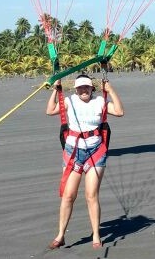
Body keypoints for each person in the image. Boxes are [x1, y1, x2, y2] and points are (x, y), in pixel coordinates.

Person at [45, 73, 124, 249]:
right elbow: (50, 111)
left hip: (95, 152)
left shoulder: (99, 102)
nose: (83, 90)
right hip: (74, 152)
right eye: (80, 87)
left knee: (91, 195)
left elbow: (119, 112)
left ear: (91, 88)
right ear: (76, 89)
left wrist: (111, 90)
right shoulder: (69, 101)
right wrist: (55, 90)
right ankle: (60, 235)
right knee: (68, 196)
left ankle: (96, 235)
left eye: (86, 87)